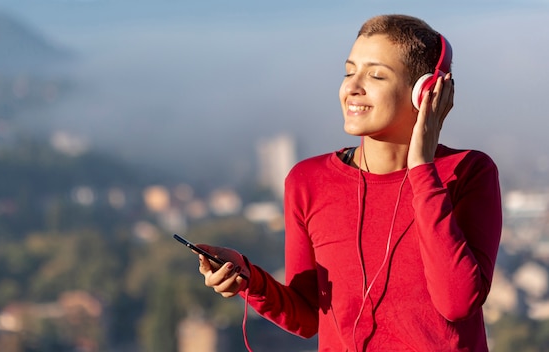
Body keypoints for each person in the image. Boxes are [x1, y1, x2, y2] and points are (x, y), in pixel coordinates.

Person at [196, 14, 502, 352]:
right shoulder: (307, 181)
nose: (352, 87)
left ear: (425, 92)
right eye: (349, 71)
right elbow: (307, 316)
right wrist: (248, 278)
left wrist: (422, 169)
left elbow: (457, 302)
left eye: (375, 75)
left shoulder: (469, 173)